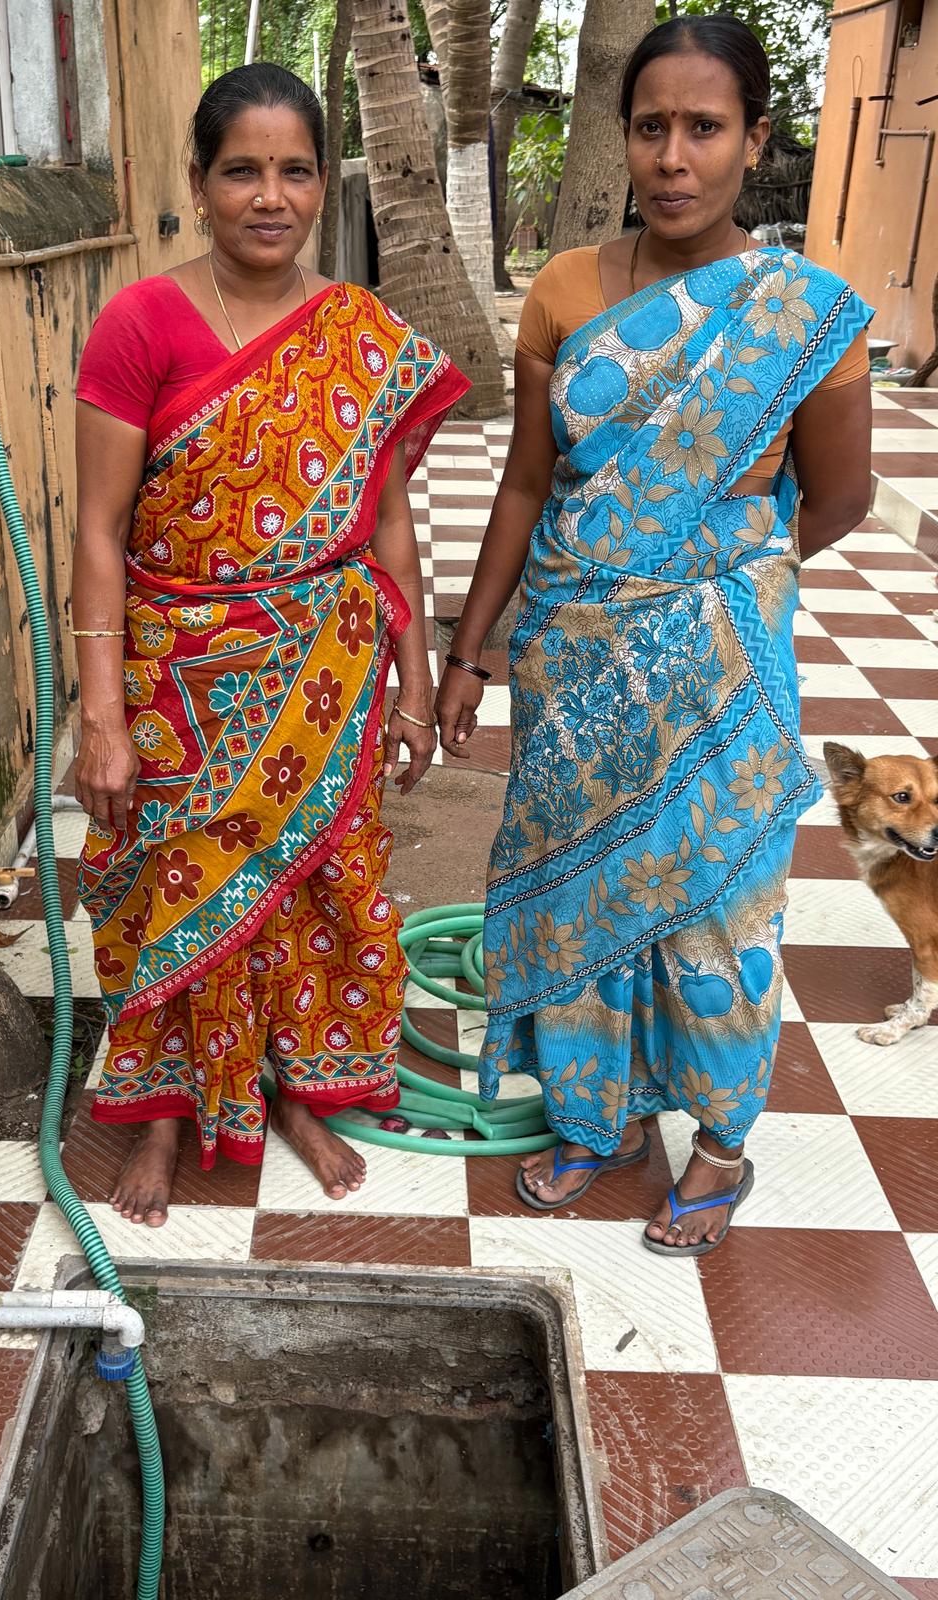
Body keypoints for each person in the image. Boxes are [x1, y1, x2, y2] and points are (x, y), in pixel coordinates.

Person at [435, 15, 872, 1256]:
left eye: (704, 128)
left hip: (720, 667)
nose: (674, 157)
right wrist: (469, 654)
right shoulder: (568, 288)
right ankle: (597, 1115)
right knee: (578, 887)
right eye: (650, 128)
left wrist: (698, 579)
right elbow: (526, 483)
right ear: (623, 138)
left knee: (720, 905)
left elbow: (832, 501)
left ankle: (722, 1142)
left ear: (754, 141)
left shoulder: (806, 311)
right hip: (571, 657)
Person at [71, 63, 468, 1225]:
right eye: (241, 169)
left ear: (322, 184)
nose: (270, 194)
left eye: (295, 170)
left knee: (317, 887)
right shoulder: (140, 322)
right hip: (176, 669)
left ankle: (294, 1089)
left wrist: (414, 682)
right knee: (163, 881)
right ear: (198, 184)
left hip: (325, 663)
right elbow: (96, 529)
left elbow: (388, 519)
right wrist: (101, 712)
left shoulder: (360, 333)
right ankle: (156, 1113)